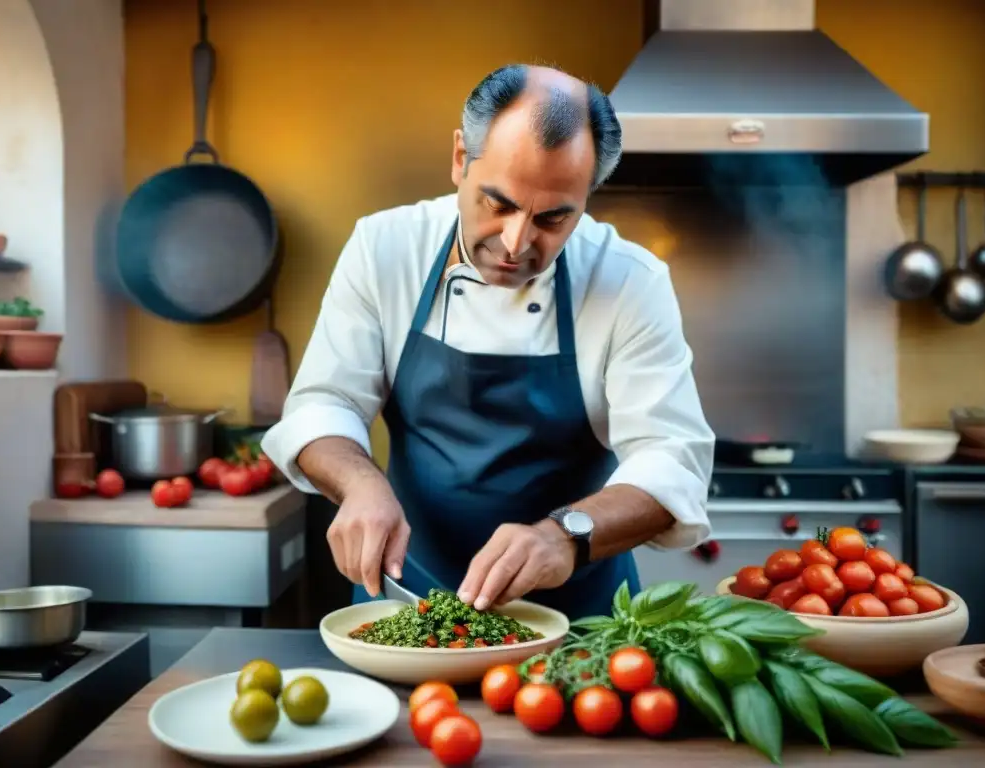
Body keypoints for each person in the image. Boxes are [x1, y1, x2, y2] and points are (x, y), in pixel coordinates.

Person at [261, 63, 715, 621]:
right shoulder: (384, 248)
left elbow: (673, 458)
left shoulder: (628, 281)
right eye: (498, 204)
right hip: (408, 603)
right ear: (460, 159)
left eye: (553, 218)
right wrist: (359, 484)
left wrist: (564, 534)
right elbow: (325, 403)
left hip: (580, 622)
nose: (515, 242)